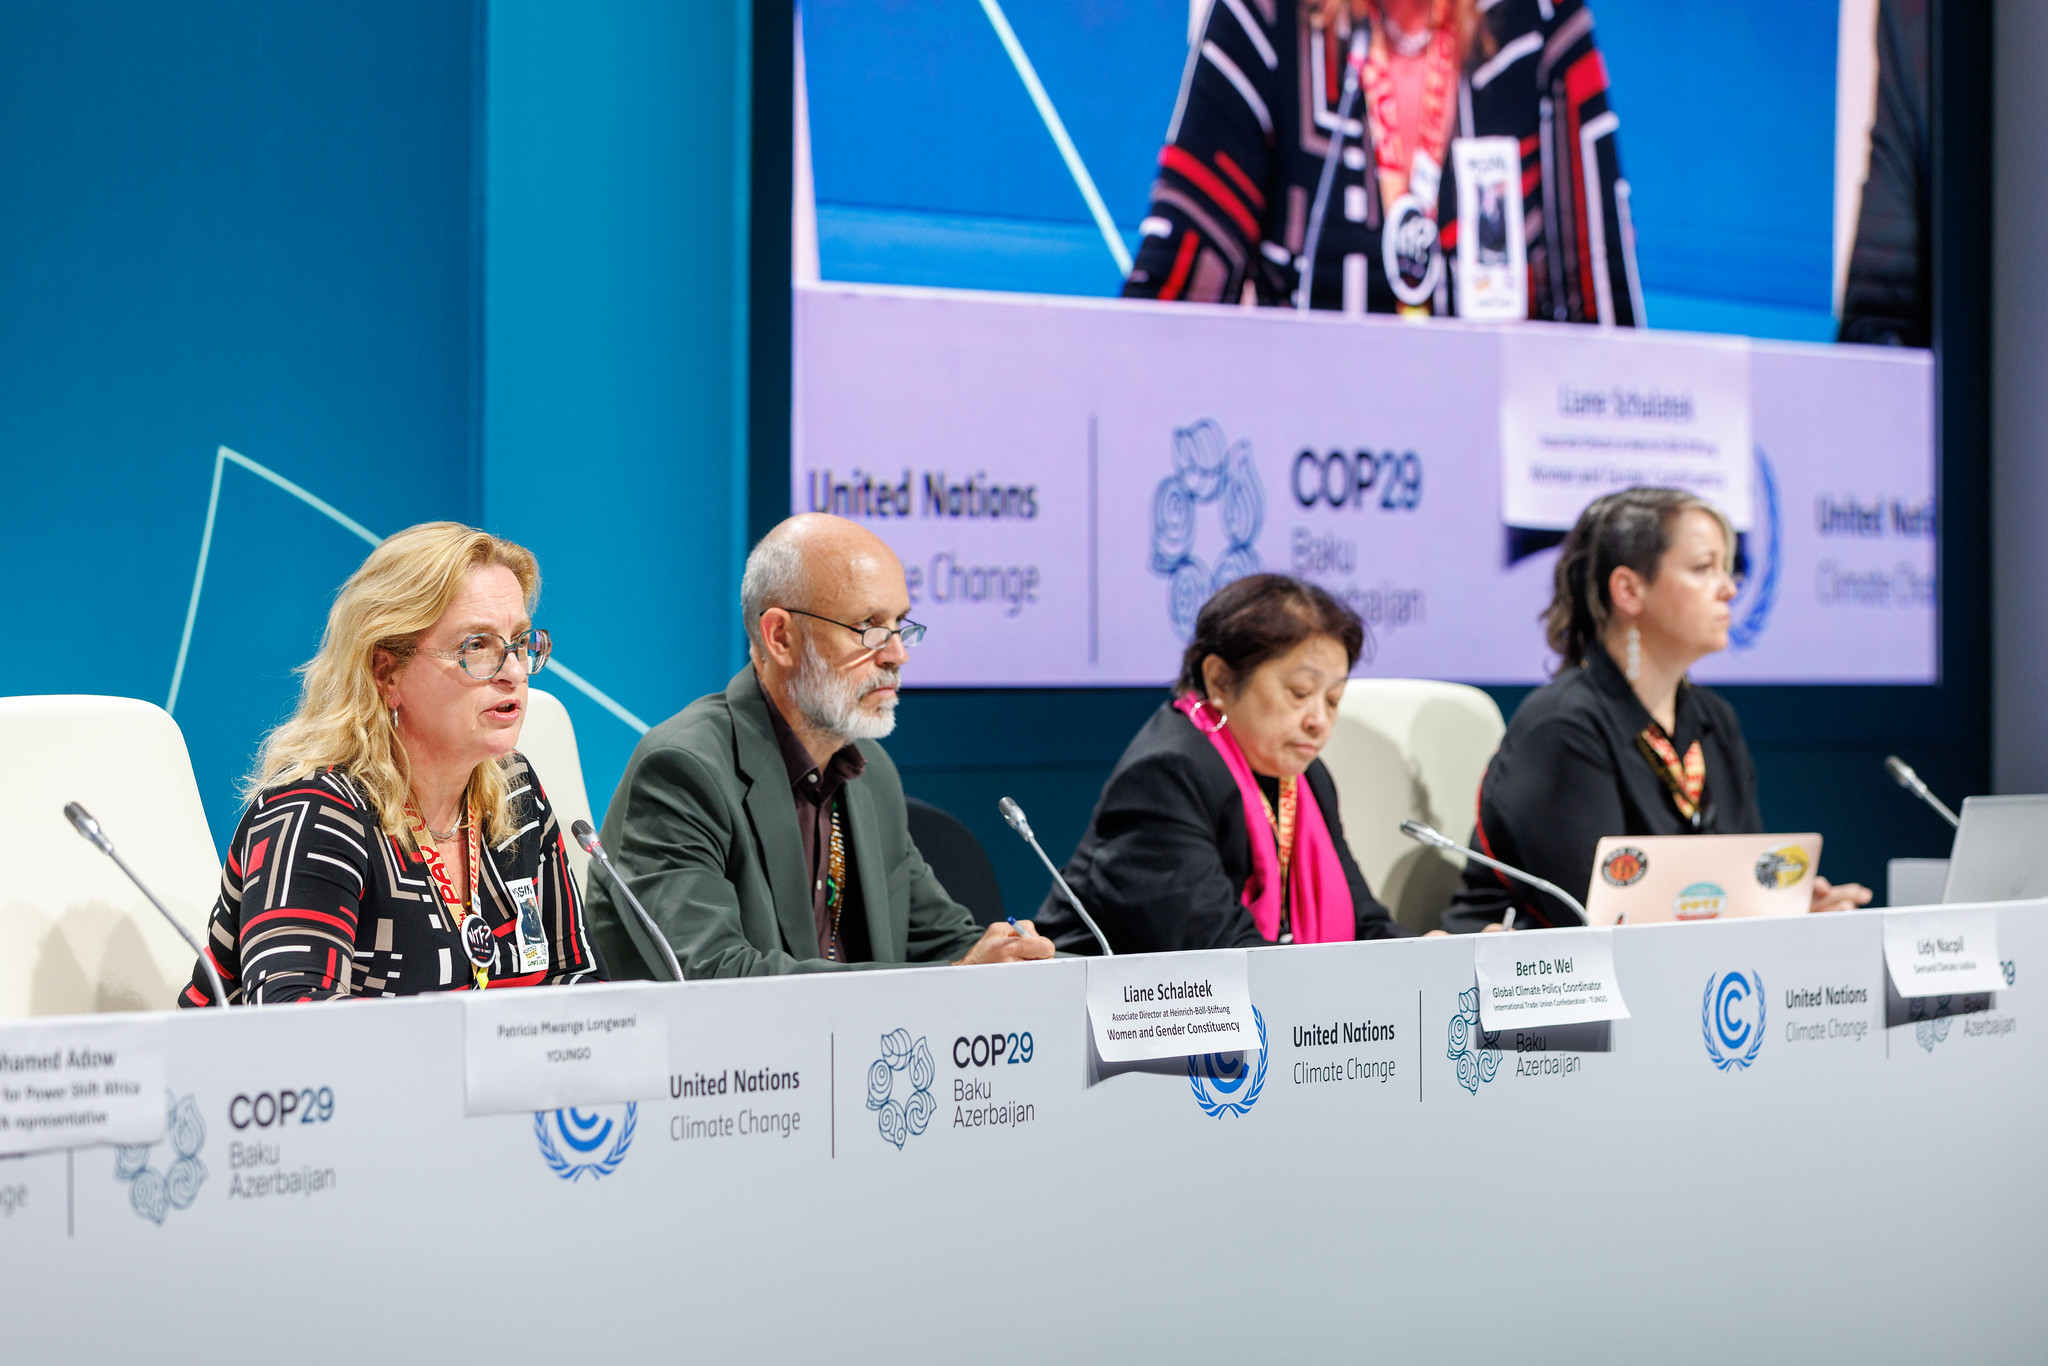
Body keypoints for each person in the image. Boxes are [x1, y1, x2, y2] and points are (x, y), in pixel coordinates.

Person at [585, 514, 1054, 977]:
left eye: (900, 624)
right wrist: (954, 979)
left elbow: (945, 942)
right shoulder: (683, 770)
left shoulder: (870, 775)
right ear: (781, 637)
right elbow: (714, 975)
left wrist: (1019, 960)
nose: (897, 654)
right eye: (868, 626)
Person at [179, 523, 605, 1004]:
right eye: (476, 646)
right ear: (387, 672)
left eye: (520, 643)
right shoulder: (314, 812)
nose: (511, 672)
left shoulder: (516, 791)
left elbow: (579, 981)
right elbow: (294, 1023)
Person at [1441, 488, 1872, 932]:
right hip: (1529, 989)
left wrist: (1787, 915)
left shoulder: (1713, 721)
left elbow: (1735, 887)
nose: (1728, 589)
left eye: (1727, 570)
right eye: (1704, 569)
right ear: (1629, 590)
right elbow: (1597, 920)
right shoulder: (1562, 726)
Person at [1124, 0, 1641, 322]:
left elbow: (1603, 304)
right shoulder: (1265, 16)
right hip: (1313, 463)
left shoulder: (1540, 20)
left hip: (1492, 462)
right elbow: (1174, 297)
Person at [1035, 574, 1413, 954]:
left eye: (1333, 699)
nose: (1319, 720)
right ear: (1219, 681)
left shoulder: (1308, 779)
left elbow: (1365, 923)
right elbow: (1217, 950)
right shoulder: (1166, 776)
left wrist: (1424, 956)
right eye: (1299, 693)